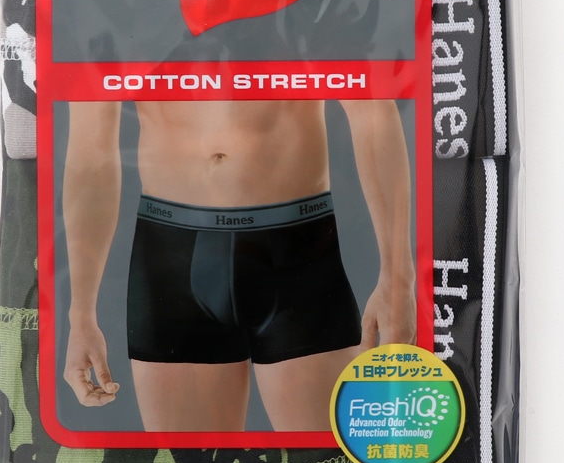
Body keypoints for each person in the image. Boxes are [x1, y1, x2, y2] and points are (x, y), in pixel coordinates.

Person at [62, 97, 415, 431]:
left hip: (298, 253)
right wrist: (80, 316)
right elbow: (90, 153)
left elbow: (372, 107)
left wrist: (398, 279)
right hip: (171, 259)